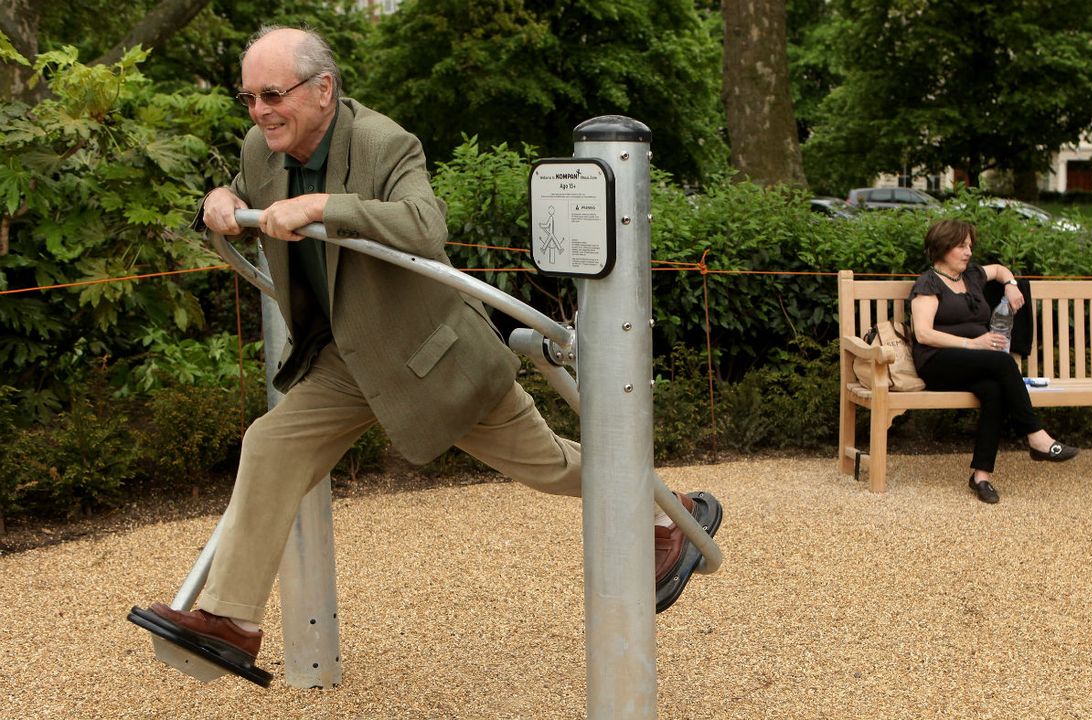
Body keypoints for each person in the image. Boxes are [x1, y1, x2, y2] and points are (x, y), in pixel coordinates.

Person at [129, 26, 722, 684]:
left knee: (549, 465)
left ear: (323, 90)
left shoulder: (383, 142)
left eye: (273, 94)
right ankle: (231, 622)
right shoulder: (260, 147)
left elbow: (424, 223)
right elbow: (239, 189)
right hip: (346, 360)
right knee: (270, 443)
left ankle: (676, 514)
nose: (260, 111)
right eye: (248, 98)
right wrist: (220, 201)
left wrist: (323, 206)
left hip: (431, 360)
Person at [908, 219, 1078, 504]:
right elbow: (924, 334)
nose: (968, 252)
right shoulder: (929, 282)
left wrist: (1010, 284)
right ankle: (1036, 437)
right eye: (962, 246)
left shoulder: (971, 276)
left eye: (970, 246)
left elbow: (998, 270)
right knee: (1003, 363)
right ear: (943, 247)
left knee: (994, 390)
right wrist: (972, 344)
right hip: (938, 362)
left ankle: (981, 476)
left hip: (973, 361)